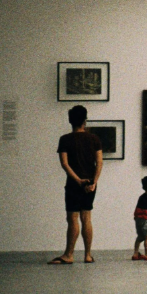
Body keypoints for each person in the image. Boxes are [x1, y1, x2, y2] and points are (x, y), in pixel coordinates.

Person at [49, 105, 103, 265]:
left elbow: (64, 164)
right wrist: (94, 182)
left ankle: (69, 255)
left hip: (73, 184)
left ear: (70, 120)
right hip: (90, 183)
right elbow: (99, 162)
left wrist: (78, 180)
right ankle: (88, 255)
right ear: (85, 121)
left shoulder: (65, 139)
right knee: (86, 218)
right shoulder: (94, 139)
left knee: (73, 218)